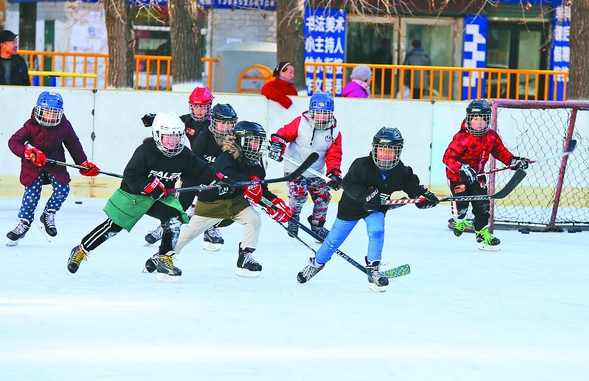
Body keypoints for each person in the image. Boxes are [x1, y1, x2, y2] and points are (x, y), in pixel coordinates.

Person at [66, 112, 225, 281]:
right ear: (157, 135)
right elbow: (131, 175)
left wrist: (220, 181)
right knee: (113, 227)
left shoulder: (184, 154)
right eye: (168, 137)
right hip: (134, 195)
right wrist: (148, 185)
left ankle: (164, 260)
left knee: (174, 220)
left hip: (161, 197)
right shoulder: (145, 151)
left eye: (177, 136)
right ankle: (81, 250)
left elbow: (202, 170)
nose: (173, 141)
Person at [296, 127, 439, 292]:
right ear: (375, 148)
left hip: (375, 209)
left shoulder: (401, 171)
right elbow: (349, 184)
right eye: (382, 149)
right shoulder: (362, 165)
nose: (385, 154)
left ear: (398, 152)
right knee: (332, 241)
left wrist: (423, 197)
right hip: (350, 209)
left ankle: (374, 268)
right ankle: (316, 264)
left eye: (390, 150)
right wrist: (366, 195)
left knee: (377, 231)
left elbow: (413, 186)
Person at [145, 120, 292, 277]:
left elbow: (260, 188)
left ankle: (245, 257)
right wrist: (247, 184)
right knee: (188, 234)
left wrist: (273, 204)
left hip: (237, 203)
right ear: (240, 140)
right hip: (212, 203)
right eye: (252, 141)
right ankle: (162, 256)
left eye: (258, 141)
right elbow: (227, 174)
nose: (256, 145)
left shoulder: (256, 161)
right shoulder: (227, 156)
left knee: (254, 220)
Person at [6, 91, 99, 246]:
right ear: (39, 111)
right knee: (31, 194)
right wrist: (28, 152)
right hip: (33, 167)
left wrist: (83, 163)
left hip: (55, 165)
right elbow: (13, 142)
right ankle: (24, 223)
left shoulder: (64, 126)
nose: (50, 116)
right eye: (47, 112)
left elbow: (74, 145)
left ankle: (48, 214)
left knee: (63, 189)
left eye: (54, 113)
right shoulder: (31, 125)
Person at [442, 99, 530, 251]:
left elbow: (501, 152)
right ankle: (459, 220)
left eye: (483, 119)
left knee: (482, 206)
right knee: (461, 207)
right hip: (458, 178)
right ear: (469, 119)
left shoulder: (491, 137)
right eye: (475, 119)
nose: (479, 122)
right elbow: (447, 158)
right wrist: (461, 168)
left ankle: (482, 233)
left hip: (478, 176)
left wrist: (514, 161)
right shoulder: (462, 138)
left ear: (488, 119)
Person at [142, 86, 214, 244]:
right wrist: (155, 118)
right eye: (196, 107)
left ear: (210, 107)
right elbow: (169, 124)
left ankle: (210, 227)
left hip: (208, 167)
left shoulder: (215, 124)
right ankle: (164, 226)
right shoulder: (185, 121)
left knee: (210, 197)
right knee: (183, 200)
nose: (199, 111)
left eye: (203, 107)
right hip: (190, 167)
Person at [268, 91, 343, 239]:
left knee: (323, 196)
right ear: (311, 112)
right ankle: (293, 219)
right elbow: (283, 134)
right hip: (294, 169)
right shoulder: (300, 123)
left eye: (325, 113)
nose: (321, 117)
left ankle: (317, 225)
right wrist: (278, 146)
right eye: (318, 113)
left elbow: (334, 155)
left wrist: (334, 173)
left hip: (316, 171)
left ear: (331, 113)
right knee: (299, 194)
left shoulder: (335, 133)